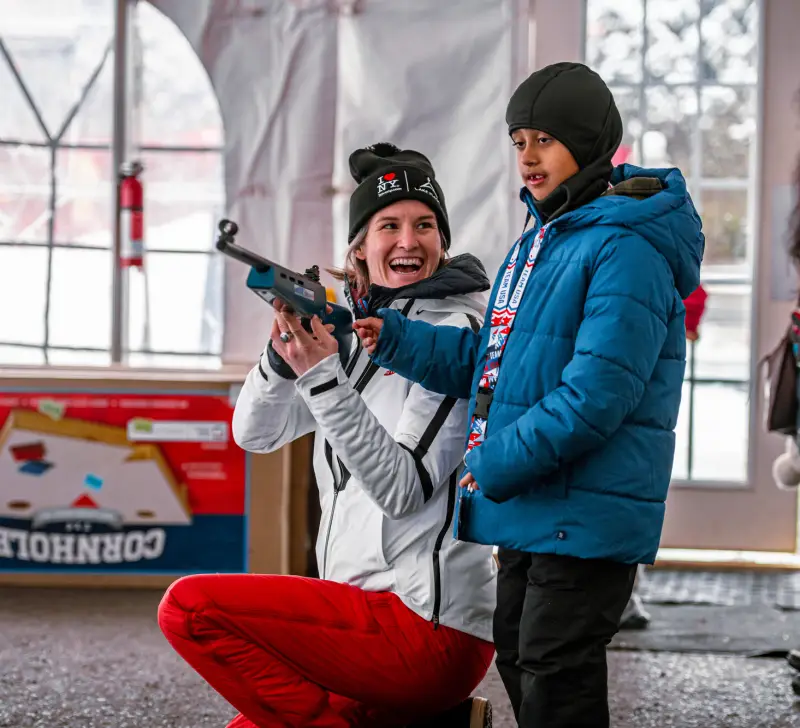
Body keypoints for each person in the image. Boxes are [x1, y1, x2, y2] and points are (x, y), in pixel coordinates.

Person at [354, 62, 704, 727]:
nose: (528, 157)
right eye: (518, 142)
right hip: (536, 504)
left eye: (545, 139)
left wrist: (490, 462)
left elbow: (598, 393)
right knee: (519, 651)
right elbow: (496, 361)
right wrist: (394, 338)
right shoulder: (540, 242)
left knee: (553, 666)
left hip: (582, 510)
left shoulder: (624, 250)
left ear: (588, 141)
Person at [157, 142, 497, 728]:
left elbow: (404, 488)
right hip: (356, 617)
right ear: (360, 248)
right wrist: (284, 356)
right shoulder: (361, 332)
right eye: (388, 225)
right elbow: (253, 433)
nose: (409, 241)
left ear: (443, 242)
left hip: (426, 627)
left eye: (425, 225)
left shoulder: (457, 334)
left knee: (190, 607)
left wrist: (322, 377)